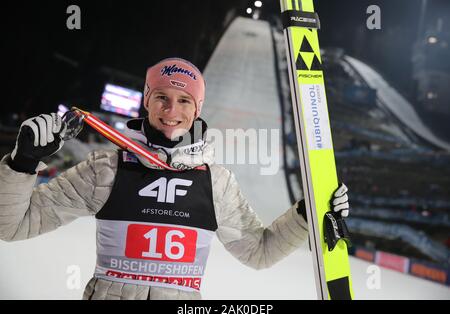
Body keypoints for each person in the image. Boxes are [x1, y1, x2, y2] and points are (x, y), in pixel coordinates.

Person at [0, 57, 350, 300]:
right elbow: (12, 226)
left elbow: (259, 252)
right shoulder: (105, 170)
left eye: (184, 100)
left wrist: (306, 214)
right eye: (162, 98)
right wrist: (22, 163)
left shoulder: (215, 183)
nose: (172, 111)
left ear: (197, 110)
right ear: (147, 103)